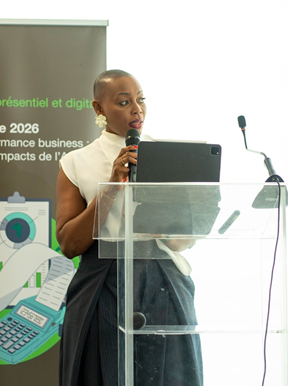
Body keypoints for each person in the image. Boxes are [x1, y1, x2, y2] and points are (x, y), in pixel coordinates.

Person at [56, 70, 203, 385]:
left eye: (141, 100)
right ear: (99, 108)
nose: (137, 109)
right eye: (124, 102)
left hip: (164, 280)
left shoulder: (169, 156)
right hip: (101, 283)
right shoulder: (76, 162)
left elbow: (184, 239)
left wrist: (159, 227)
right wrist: (111, 187)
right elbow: (69, 244)